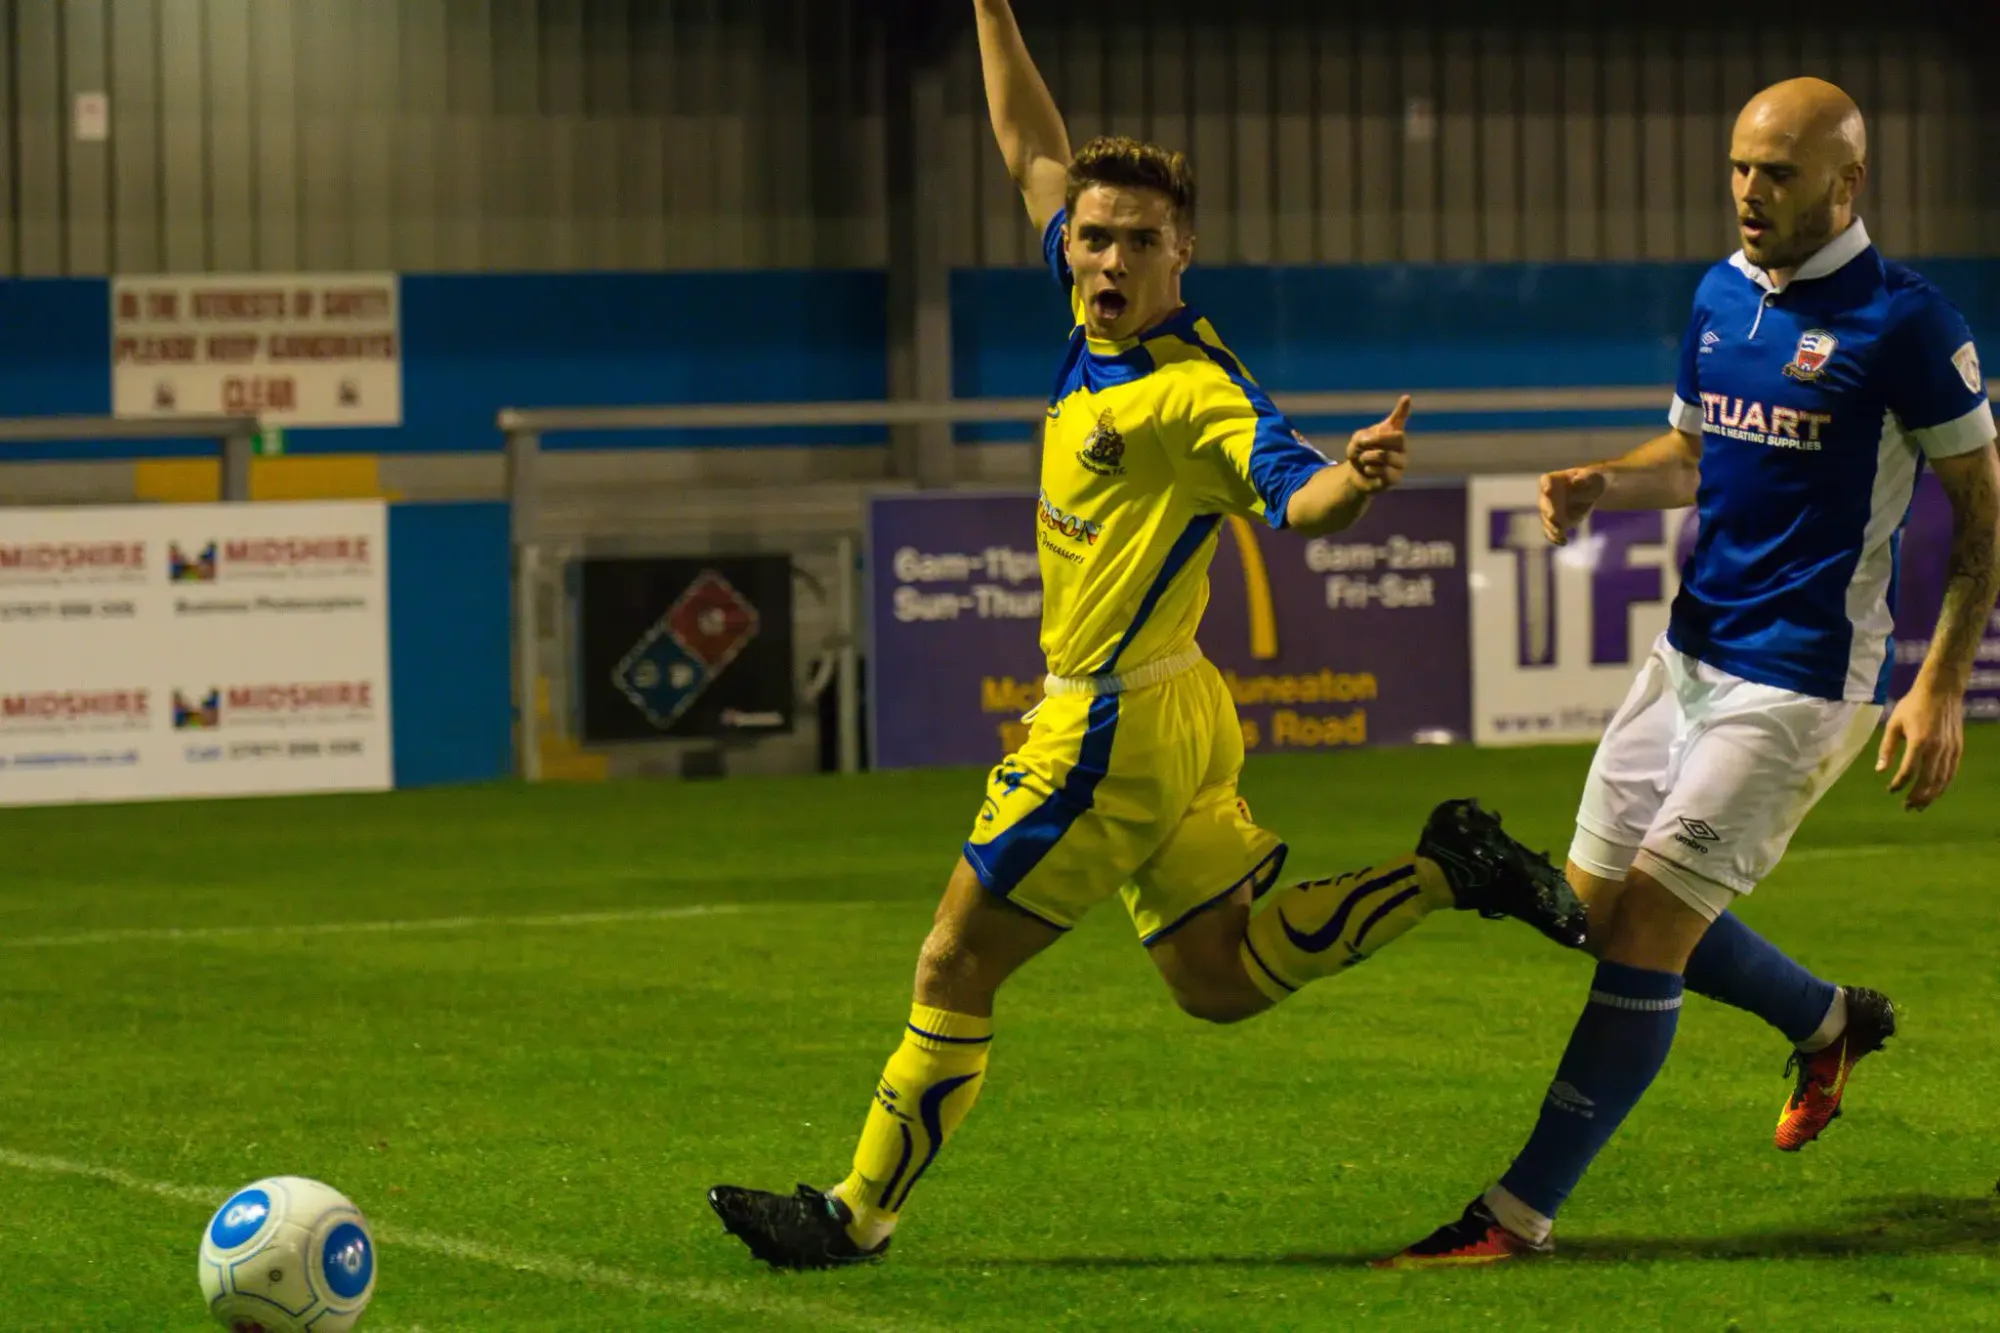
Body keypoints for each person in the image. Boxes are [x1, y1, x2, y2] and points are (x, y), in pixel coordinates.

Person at [706, 0, 1587, 1270]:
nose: (1107, 261)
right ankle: (1451, 867)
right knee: (1216, 979)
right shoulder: (1089, 317)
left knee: (954, 959)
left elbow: (1298, 500)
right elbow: (1026, 146)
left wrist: (1357, 474)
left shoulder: (1192, 392)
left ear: (1185, 256)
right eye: (1093, 240)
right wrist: (991, 11)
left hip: (1108, 725)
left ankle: (853, 1215)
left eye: (1136, 244)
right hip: (1175, 706)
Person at [1384, 76, 1999, 1267]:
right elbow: (1693, 451)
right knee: (1591, 909)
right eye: (1737, 167)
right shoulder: (1719, 294)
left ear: (1845, 182)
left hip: (1802, 676)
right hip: (1688, 651)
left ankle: (1514, 1218)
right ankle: (1829, 1022)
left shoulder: (1907, 322)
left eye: (1775, 172)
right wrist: (1604, 481)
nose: (1748, 192)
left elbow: (1983, 512)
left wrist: (1936, 687)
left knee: (1647, 931)